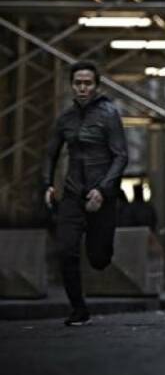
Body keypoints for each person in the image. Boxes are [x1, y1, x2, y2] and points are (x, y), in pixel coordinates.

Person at [42, 61, 128, 326]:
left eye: (87, 83)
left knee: (99, 258)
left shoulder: (109, 113)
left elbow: (121, 156)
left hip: (102, 194)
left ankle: (102, 250)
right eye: (78, 83)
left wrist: (103, 190)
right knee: (66, 250)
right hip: (72, 193)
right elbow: (50, 153)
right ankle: (79, 310)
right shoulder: (65, 118)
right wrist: (47, 184)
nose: (82, 88)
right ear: (72, 85)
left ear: (96, 85)